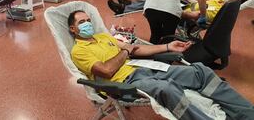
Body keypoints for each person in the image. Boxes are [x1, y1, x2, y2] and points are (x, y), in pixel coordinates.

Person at [68, 10, 254, 120]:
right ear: (72, 29)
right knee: (166, 88)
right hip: (124, 82)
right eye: (81, 22)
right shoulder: (79, 50)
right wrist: (126, 51)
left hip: (145, 68)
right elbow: (107, 71)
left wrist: (167, 46)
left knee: (200, 71)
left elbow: (136, 49)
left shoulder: (103, 37)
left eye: (88, 21)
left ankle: (247, 113)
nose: (87, 24)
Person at [108, 0, 252, 23]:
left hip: (182, 12)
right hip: (185, 5)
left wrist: (175, 9)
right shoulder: (222, 2)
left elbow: (198, 15)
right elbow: (199, 4)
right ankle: (129, 4)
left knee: (157, 1)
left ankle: (124, 8)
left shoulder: (222, 9)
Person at [182, 0, 251, 22]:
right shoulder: (223, 1)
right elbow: (201, 3)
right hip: (187, 7)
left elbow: (196, 15)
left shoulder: (219, 10)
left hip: (185, 15)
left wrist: (178, 12)